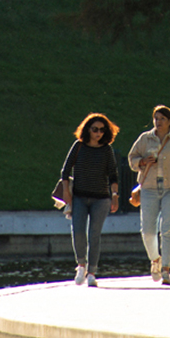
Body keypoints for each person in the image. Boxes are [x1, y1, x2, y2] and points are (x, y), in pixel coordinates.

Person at [128, 106, 170, 285]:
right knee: (148, 230)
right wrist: (142, 161)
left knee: (167, 229)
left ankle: (166, 268)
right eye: (156, 118)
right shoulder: (145, 138)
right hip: (149, 188)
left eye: (162, 119)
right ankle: (155, 260)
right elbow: (132, 158)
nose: (158, 122)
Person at [60, 113, 120, 287]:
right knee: (78, 231)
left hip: (101, 199)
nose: (98, 133)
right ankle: (81, 265)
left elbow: (113, 175)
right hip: (79, 196)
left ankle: (92, 272)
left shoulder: (106, 149)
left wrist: (115, 196)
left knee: (95, 234)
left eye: (102, 130)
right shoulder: (79, 146)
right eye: (95, 129)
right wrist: (66, 192)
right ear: (88, 130)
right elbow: (65, 170)